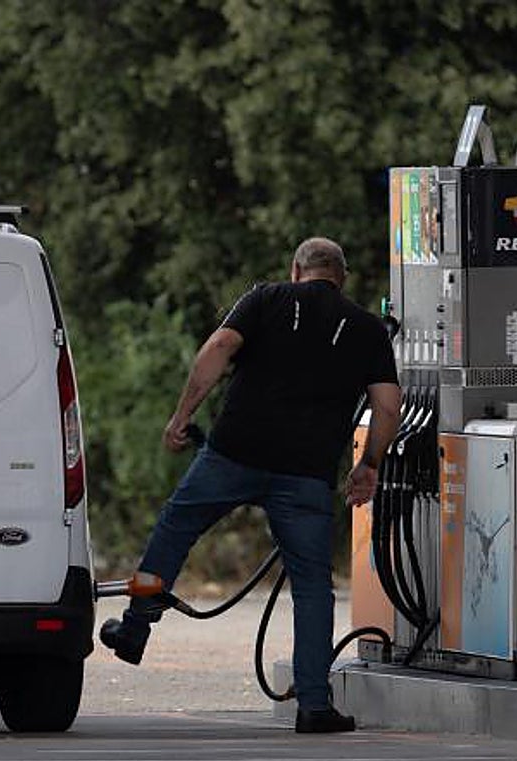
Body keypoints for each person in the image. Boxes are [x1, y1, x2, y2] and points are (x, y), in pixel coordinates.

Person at [100, 237, 401, 734]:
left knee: (176, 526)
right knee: (311, 585)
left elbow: (218, 347)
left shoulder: (266, 298)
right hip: (306, 473)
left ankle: (134, 631)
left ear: (296, 269)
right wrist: (368, 466)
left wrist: (182, 416)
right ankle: (313, 705)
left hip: (233, 453)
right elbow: (387, 407)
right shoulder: (368, 329)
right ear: (341, 277)